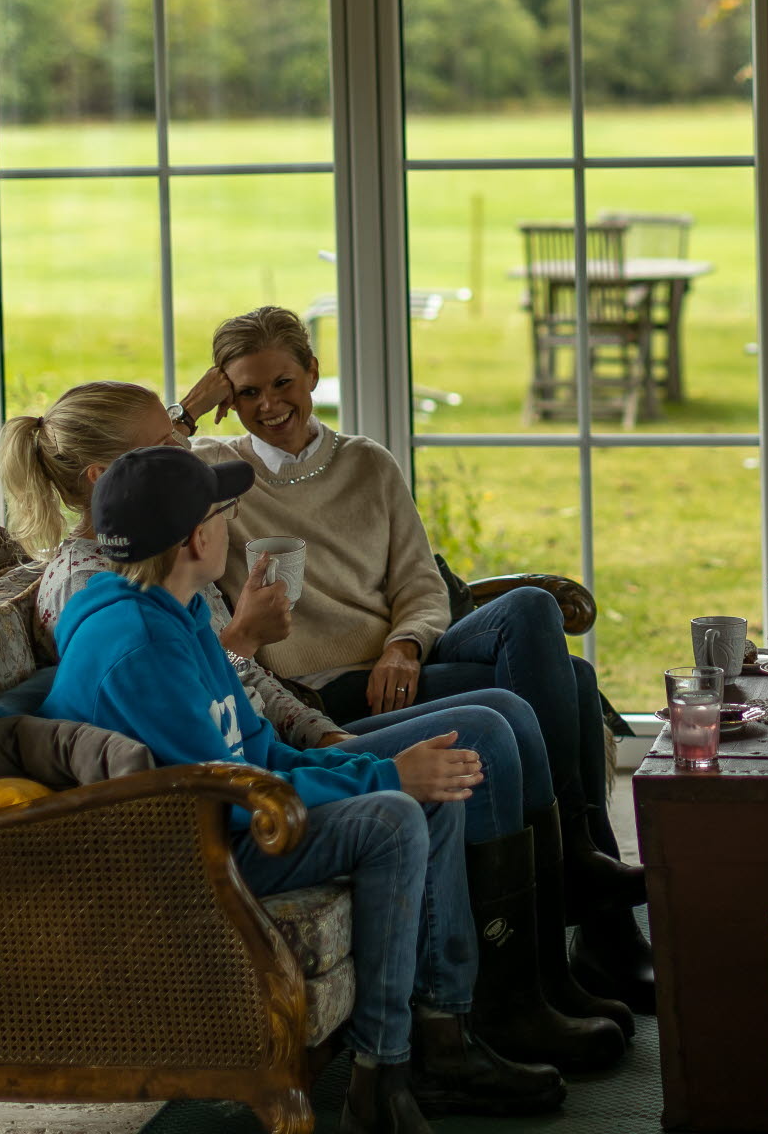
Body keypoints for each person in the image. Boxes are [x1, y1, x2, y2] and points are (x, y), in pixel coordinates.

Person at [0, 381, 626, 1065]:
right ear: (117, 481)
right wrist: (346, 742)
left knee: (550, 673)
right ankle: (493, 1008)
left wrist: (331, 733)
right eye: (169, 447)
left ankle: (536, 971)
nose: (188, 450)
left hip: (284, 735)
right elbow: (201, 736)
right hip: (221, 804)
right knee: (481, 730)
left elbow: (242, 709)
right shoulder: (116, 604)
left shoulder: (163, 579)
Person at [38, 444, 561, 1134]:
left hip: (232, 812)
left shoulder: (181, 612)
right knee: (395, 817)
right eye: (224, 513)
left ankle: (445, 1038)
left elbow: (256, 748)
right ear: (199, 539)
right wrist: (382, 778)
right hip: (193, 852)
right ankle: (383, 1077)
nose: (229, 525)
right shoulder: (137, 646)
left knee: (429, 786)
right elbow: (233, 793)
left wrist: (380, 767)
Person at [184, 306, 654, 1011]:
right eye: (246, 392)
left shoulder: (367, 462)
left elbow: (418, 585)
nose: (268, 405)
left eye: (283, 382)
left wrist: (405, 644)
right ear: (227, 394)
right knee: (570, 683)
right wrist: (189, 410)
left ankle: (583, 876)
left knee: (533, 612)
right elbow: (119, 490)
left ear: (314, 372)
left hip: (395, 670)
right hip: (317, 692)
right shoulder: (216, 473)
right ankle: (594, 909)